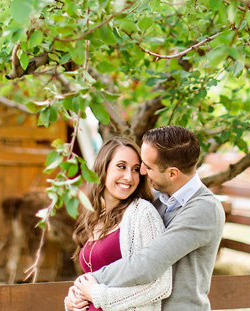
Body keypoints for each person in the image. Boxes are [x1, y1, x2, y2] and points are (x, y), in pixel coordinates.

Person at [72, 126, 225, 311]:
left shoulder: (204, 209)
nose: (142, 172)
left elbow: (147, 263)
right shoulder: (155, 199)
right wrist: (78, 296)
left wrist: (90, 282)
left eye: (146, 166)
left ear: (172, 174)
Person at [64, 136, 172, 311]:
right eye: (121, 167)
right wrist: (73, 299)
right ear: (103, 168)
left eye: (136, 169)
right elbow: (93, 279)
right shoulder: (94, 215)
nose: (129, 177)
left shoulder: (143, 214)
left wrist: (98, 296)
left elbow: (161, 285)